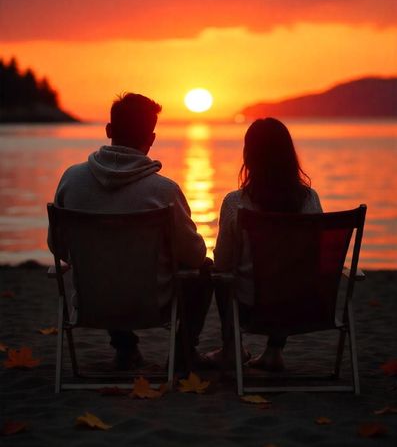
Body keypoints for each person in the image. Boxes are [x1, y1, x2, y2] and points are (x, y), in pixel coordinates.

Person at [49, 92, 212, 370]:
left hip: (93, 301)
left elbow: (58, 247)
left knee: (105, 262)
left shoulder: (71, 180)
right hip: (152, 304)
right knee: (206, 268)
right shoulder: (164, 191)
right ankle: (184, 351)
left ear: (109, 130)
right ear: (151, 138)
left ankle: (125, 348)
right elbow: (195, 255)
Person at [206, 117, 323, 370]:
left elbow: (224, 262)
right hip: (304, 308)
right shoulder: (310, 200)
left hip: (252, 309)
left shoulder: (236, 203)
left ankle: (231, 349)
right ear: (290, 155)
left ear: (248, 157)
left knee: (221, 274)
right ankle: (273, 352)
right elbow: (318, 255)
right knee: (289, 276)